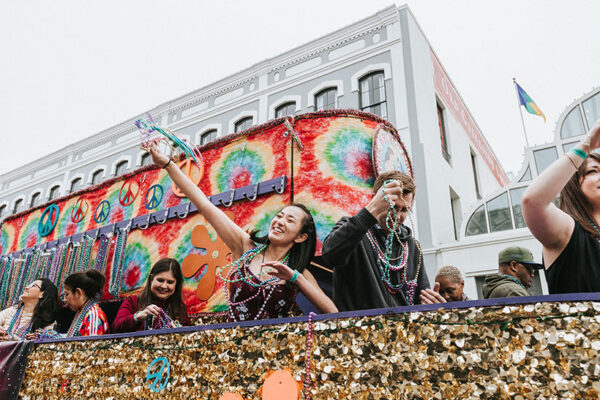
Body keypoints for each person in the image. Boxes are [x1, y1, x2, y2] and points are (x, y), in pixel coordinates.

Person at [148, 140, 337, 321]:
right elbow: (204, 204)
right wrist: (167, 164)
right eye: (279, 216)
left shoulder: (299, 272)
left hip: (274, 350)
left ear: (301, 237)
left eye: (290, 220)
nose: (279, 221)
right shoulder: (245, 246)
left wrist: (295, 278)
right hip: (232, 346)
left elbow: (332, 312)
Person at [321, 170, 437, 310]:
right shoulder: (351, 229)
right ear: (375, 199)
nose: (398, 216)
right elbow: (329, 255)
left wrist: (431, 304)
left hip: (402, 329)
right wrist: (371, 211)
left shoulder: (412, 247)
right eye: (392, 207)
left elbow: (420, 297)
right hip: (358, 329)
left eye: (404, 210)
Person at [522, 120, 600, 293]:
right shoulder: (567, 230)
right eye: (593, 171)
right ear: (573, 186)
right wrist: (587, 145)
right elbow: (533, 201)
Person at [113, 258, 191, 332]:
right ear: (151, 279)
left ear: (176, 285)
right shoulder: (132, 301)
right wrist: (137, 316)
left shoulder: (179, 308)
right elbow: (115, 327)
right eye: (160, 280)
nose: (164, 286)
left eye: (170, 282)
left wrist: (180, 332)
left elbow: (188, 337)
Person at [62, 269, 109, 337]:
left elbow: (92, 345)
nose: (64, 300)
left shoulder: (94, 317)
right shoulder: (82, 312)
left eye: (67, 294)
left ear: (78, 292)